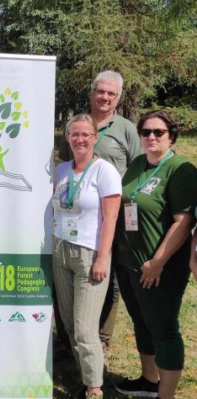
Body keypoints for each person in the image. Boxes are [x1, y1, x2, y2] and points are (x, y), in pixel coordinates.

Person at [57, 71, 142, 357]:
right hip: (78, 215)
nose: (105, 97)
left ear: (117, 98)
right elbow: (65, 164)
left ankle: (101, 338)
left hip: (115, 212)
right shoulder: (74, 124)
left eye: (111, 93)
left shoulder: (126, 128)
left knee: (110, 275)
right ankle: (71, 340)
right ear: (91, 93)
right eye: (100, 91)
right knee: (70, 276)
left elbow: (139, 168)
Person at [114, 110, 197, 399]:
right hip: (130, 263)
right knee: (141, 322)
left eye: (158, 132)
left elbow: (184, 221)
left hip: (161, 267)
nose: (150, 137)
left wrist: (157, 261)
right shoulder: (138, 163)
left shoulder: (181, 170)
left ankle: (166, 394)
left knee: (164, 329)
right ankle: (150, 381)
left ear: (171, 136)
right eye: (146, 132)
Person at [52, 114, 121, 399]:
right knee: (68, 323)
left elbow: (112, 217)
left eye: (85, 134)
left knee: (84, 328)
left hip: (89, 254)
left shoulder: (104, 171)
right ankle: (84, 376)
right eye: (74, 134)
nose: (79, 139)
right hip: (60, 250)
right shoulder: (61, 170)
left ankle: (94, 387)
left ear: (95, 137)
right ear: (67, 137)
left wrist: (103, 257)